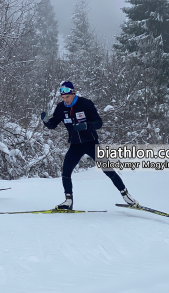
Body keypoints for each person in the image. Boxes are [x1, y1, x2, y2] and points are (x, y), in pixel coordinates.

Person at [41, 81, 138, 210]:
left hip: (91, 143)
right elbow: (53, 125)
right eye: (63, 98)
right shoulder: (61, 108)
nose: (66, 100)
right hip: (75, 145)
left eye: (67, 97)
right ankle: (68, 201)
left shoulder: (85, 103)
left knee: (107, 169)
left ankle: (127, 196)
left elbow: (98, 123)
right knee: (66, 171)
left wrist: (86, 125)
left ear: (73, 93)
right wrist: (46, 121)